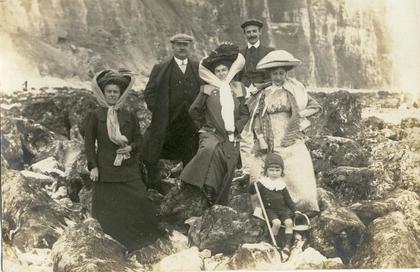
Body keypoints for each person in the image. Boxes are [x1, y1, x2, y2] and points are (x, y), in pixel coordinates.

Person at [84, 69, 162, 251]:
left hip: (128, 168)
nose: (112, 95)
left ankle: (141, 241)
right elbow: (89, 144)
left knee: (140, 198)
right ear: (103, 93)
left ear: (120, 95)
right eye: (109, 91)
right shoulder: (95, 116)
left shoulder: (129, 115)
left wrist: (130, 147)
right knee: (106, 210)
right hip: (105, 170)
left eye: (115, 92)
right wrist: (93, 167)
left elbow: (139, 139)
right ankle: (110, 244)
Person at [242, 50, 322, 213]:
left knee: (297, 166)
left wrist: (299, 115)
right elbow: (257, 118)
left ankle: (301, 206)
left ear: (286, 73)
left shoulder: (295, 91)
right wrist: (262, 139)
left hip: (291, 136)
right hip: (270, 136)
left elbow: (315, 107)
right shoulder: (263, 93)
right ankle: (267, 208)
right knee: (262, 167)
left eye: (281, 73)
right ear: (269, 74)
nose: (278, 77)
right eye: (274, 74)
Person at [180, 43, 250, 205]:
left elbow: (245, 113)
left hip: (232, 134)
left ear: (229, 71)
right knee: (210, 150)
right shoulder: (207, 89)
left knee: (229, 163)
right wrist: (205, 126)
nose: (221, 73)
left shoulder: (238, 88)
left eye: (223, 70)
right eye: (217, 71)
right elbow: (194, 110)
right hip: (212, 133)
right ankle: (203, 186)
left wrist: (237, 127)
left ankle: (219, 200)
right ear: (214, 73)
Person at [143, 33, 202, 193]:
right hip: (169, 122)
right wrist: (159, 111)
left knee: (192, 155)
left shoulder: (198, 67)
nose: (182, 47)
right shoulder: (161, 68)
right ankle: (155, 187)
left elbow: (206, 92)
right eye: (179, 44)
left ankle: (189, 189)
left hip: (191, 124)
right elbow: (149, 93)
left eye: (185, 44)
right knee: (149, 149)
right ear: (173, 47)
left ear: (190, 47)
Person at [249, 153, 296, 257]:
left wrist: (294, 210)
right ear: (266, 170)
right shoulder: (262, 183)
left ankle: (287, 245)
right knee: (277, 223)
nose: (274, 173)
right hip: (270, 210)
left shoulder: (281, 184)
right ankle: (272, 242)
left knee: (289, 222)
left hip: (283, 210)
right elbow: (252, 191)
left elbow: (288, 199)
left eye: (277, 170)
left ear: (281, 171)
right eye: (271, 170)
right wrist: (253, 184)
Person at [238, 19, 274, 91]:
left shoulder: (269, 52)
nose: (251, 35)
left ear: (260, 32)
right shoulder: (240, 53)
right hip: (244, 90)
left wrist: (262, 86)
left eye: (254, 31)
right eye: (248, 32)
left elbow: (273, 74)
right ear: (244, 34)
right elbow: (238, 76)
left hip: (264, 90)